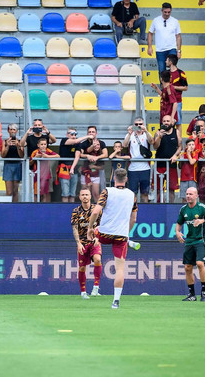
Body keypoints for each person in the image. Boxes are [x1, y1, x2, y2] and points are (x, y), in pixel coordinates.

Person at [87, 168, 139, 309]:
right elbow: (133, 219)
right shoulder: (132, 195)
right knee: (120, 269)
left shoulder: (107, 191)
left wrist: (90, 227)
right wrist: (127, 234)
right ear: (126, 179)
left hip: (104, 234)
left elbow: (95, 212)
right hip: (121, 236)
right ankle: (116, 301)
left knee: (94, 233)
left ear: (114, 178)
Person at [175, 186, 205, 301]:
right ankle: (192, 295)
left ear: (196, 196)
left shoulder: (202, 208)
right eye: (187, 194)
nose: (188, 196)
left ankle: (204, 292)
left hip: (201, 239)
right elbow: (179, 223)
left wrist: (203, 221)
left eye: (191, 194)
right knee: (187, 267)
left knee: (200, 263)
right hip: (189, 240)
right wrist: (177, 232)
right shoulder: (183, 209)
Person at [71, 187, 102, 299]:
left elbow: (102, 225)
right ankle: (83, 292)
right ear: (79, 197)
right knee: (82, 268)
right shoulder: (76, 211)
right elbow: (75, 228)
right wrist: (78, 243)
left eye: (87, 195)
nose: (85, 197)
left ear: (90, 196)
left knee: (97, 259)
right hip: (83, 242)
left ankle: (96, 287)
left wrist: (98, 238)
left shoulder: (96, 210)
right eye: (82, 195)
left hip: (94, 240)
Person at [72, 126, 108, 199]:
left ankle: (97, 207)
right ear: (87, 133)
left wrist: (97, 157)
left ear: (96, 133)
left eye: (93, 132)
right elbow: (80, 154)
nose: (91, 133)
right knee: (85, 194)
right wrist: (88, 156)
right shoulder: (84, 143)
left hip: (96, 173)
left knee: (96, 194)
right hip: (86, 172)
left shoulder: (101, 142)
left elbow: (106, 154)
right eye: (89, 132)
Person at [123, 117, 153, 203]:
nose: (138, 126)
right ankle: (133, 209)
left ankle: (146, 209)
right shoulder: (130, 135)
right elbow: (124, 145)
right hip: (133, 168)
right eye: (136, 124)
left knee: (145, 193)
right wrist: (129, 133)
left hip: (145, 167)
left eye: (140, 124)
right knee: (133, 193)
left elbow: (152, 142)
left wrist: (146, 131)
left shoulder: (146, 134)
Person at [147, 2, 182, 74]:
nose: (167, 14)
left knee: (173, 69)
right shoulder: (155, 20)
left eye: (169, 12)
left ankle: (174, 81)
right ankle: (163, 82)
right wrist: (149, 47)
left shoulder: (175, 21)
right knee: (162, 71)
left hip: (172, 48)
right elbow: (150, 33)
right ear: (162, 10)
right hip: (160, 50)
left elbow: (178, 36)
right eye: (165, 12)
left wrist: (179, 51)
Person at [153, 115, 181, 203]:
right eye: (164, 121)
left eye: (168, 121)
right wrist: (159, 137)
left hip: (171, 165)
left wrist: (175, 155)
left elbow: (180, 147)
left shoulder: (176, 132)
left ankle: (170, 206)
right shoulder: (158, 132)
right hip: (159, 164)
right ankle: (159, 207)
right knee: (158, 189)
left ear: (172, 122)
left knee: (171, 189)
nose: (166, 123)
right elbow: (155, 147)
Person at [30, 137, 59, 202]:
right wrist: (35, 158)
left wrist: (47, 156)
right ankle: (36, 206)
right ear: (38, 145)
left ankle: (46, 206)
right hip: (37, 175)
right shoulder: (35, 152)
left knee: (46, 193)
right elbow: (30, 163)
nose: (43, 146)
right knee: (36, 193)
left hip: (46, 175)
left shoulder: (48, 151)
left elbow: (58, 156)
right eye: (42, 144)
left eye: (45, 144)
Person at [1, 123, 24, 203]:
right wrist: (7, 145)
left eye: (14, 129)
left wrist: (18, 146)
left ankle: (15, 206)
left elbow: (21, 155)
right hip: (8, 165)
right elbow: (3, 155)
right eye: (11, 129)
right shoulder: (4, 141)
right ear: (8, 131)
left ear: (16, 131)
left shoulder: (20, 141)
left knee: (15, 190)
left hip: (17, 165)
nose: (12, 131)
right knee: (9, 191)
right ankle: (8, 206)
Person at [58, 128, 81, 202]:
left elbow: (77, 156)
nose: (73, 136)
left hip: (73, 169)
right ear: (67, 134)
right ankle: (65, 208)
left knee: (72, 194)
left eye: (75, 134)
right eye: (71, 134)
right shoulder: (64, 140)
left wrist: (72, 168)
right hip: (64, 169)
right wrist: (88, 136)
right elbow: (76, 141)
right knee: (65, 193)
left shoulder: (78, 144)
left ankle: (72, 208)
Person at [166, 54, 188, 123]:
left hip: (177, 101)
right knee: (167, 122)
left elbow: (185, 88)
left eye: (167, 60)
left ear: (170, 62)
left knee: (178, 122)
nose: (165, 61)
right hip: (167, 101)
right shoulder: (166, 73)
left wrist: (173, 87)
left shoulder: (181, 73)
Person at [178, 139, 198, 203]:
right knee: (184, 198)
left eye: (193, 144)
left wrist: (188, 154)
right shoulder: (183, 154)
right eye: (189, 145)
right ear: (186, 146)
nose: (191, 146)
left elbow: (192, 162)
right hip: (184, 178)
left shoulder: (195, 153)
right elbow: (180, 167)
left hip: (193, 178)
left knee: (193, 198)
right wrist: (180, 159)